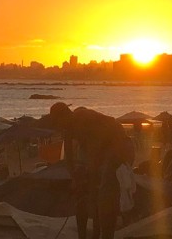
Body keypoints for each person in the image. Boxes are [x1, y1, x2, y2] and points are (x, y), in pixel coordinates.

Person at [48, 102, 129, 239]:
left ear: (65, 115)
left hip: (117, 143)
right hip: (98, 147)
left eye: (57, 122)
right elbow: (68, 154)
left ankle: (103, 234)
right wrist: (74, 176)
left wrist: (90, 179)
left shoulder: (83, 120)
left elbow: (94, 154)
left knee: (102, 192)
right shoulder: (68, 126)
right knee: (83, 190)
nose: (58, 126)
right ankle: (83, 235)